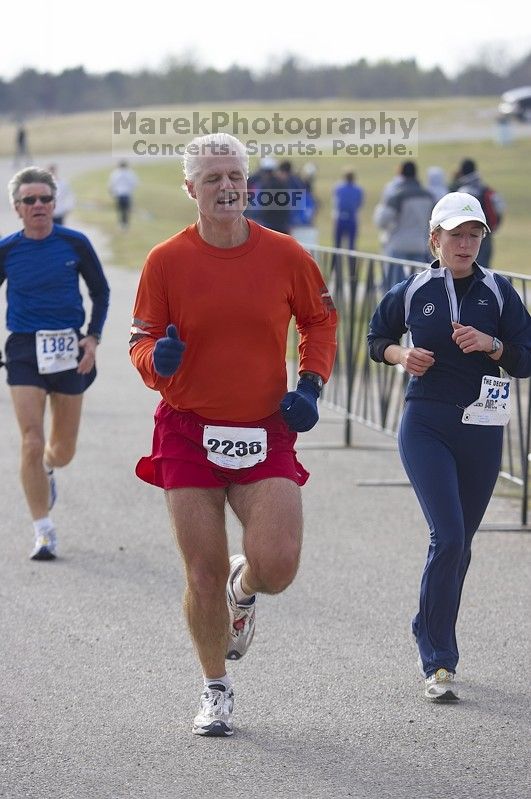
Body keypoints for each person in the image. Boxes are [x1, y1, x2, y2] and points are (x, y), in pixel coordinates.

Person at [129, 132, 337, 737]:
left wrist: (312, 386)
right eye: (213, 178)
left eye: (235, 176)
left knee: (277, 566)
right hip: (188, 431)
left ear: (247, 184)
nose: (227, 186)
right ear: (191, 189)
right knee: (201, 571)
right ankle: (215, 690)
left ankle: (243, 590)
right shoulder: (166, 260)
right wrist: (155, 361)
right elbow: (140, 340)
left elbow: (320, 320)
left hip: (265, 427)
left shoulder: (284, 254)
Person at [368, 192, 531, 702]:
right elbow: (377, 339)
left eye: (474, 235)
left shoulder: (499, 291)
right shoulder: (414, 288)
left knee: (460, 546)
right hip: (426, 425)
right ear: (434, 238)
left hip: (482, 427)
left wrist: (493, 346)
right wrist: (402, 354)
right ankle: (438, 658)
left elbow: (526, 358)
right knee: (450, 536)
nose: (465, 244)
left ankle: (427, 622)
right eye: (456, 235)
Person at [0, 167, 110, 560]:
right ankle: (43, 531)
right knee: (30, 439)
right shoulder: (8, 249)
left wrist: (93, 338)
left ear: (54, 202)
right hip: (25, 349)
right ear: (17, 208)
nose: (39, 206)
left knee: (61, 450)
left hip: (68, 347)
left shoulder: (75, 243)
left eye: (45, 198)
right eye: (30, 200)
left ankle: (48, 467)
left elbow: (100, 290)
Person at [373, 161, 434, 289]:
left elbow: (381, 220)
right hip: (420, 245)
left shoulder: (397, 195)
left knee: (395, 287)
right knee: (417, 286)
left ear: (400, 173)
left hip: (398, 245)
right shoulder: (428, 195)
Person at [449, 158, 505, 268]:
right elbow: (500, 206)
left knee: (468, 267)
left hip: (466, 234)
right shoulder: (486, 189)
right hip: (485, 232)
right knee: (484, 269)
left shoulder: (463, 191)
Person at [332, 170, 364, 252]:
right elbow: (359, 203)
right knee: (351, 246)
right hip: (351, 218)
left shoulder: (338, 188)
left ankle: (336, 264)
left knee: (337, 246)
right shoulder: (358, 189)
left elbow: (335, 202)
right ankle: (352, 265)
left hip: (341, 217)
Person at [108, 160, 139, 228]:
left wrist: (111, 191)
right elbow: (135, 183)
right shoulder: (130, 173)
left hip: (119, 193)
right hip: (127, 194)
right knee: (126, 209)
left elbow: (111, 183)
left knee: (120, 209)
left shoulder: (115, 173)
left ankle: (121, 223)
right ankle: (125, 223)